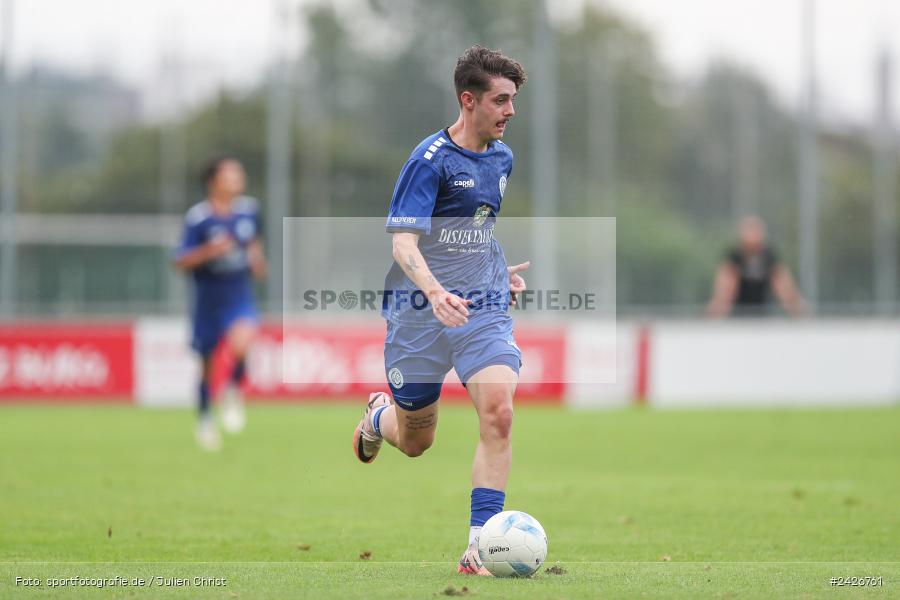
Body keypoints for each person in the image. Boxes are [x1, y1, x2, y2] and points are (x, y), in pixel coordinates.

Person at [350, 46, 530, 576]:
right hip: (418, 316)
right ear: (468, 100)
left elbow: (476, 229)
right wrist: (434, 292)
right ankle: (377, 418)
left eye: (514, 100)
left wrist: (499, 274)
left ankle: (481, 544)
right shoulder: (428, 162)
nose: (510, 111)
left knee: (499, 414)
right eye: (501, 100)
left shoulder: (502, 157)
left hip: (481, 311)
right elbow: (404, 246)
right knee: (415, 441)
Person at [173, 157, 267, 450]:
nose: (238, 179)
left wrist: (256, 260)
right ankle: (204, 418)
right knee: (207, 364)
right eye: (231, 175)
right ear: (213, 181)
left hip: (238, 295)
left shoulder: (250, 211)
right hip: (208, 300)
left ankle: (232, 389)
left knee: (242, 344)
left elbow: (253, 241)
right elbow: (180, 260)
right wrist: (211, 251)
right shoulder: (199, 218)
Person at [706, 215, 806, 317]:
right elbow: (724, 293)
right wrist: (715, 316)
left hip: (762, 314)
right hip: (736, 316)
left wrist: (798, 311)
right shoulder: (734, 257)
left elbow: (785, 288)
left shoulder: (769, 256)